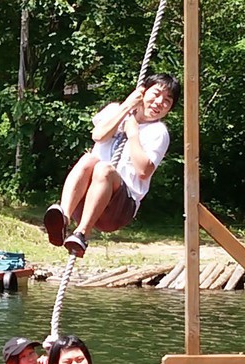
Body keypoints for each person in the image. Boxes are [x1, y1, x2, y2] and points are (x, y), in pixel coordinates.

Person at [45, 73, 181, 258]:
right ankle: (64, 218)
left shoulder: (158, 132)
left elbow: (143, 171)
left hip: (119, 208)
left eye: (167, 101)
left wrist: (133, 134)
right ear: (142, 92)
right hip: (87, 198)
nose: (159, 102)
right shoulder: (115, 110)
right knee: (88, 159)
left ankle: (82, 234)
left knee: (104, 169)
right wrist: (126, 107)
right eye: (156, 94)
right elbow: (98, 136)